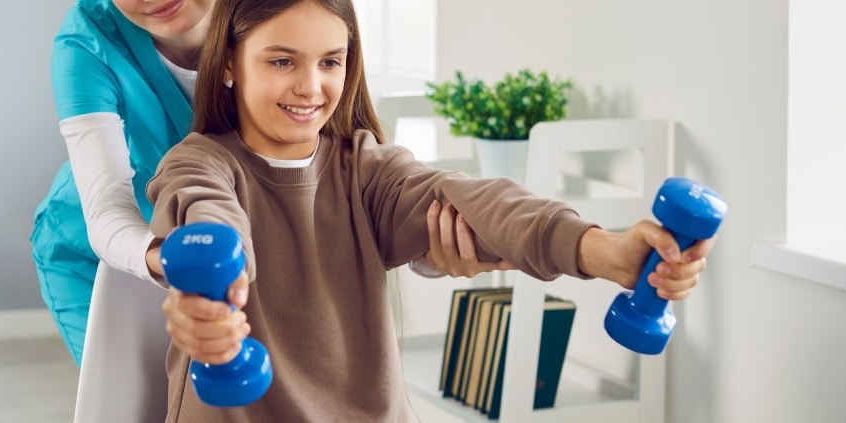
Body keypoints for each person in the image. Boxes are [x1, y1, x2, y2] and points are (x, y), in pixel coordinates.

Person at [145, 0, 715, 420]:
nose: (311, 86)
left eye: (331, 62)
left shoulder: (365, 168)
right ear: (228, 64)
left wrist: (604, 250)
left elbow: (473, 200)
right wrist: (208, 297)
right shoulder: (199, 163)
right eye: (281, 61)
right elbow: (210, 218)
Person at [32, 0, 508, 367]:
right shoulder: (88, 44)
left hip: (233, 256)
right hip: (101, 255)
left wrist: (429, 254)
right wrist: (174, 257)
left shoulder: (283, 15)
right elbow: (106, 207)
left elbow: (343, 182)